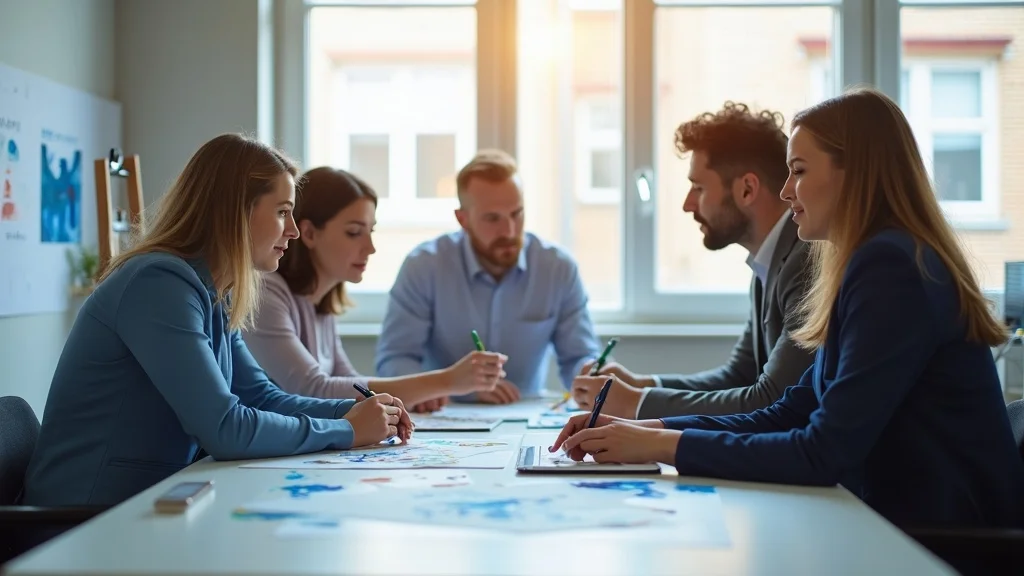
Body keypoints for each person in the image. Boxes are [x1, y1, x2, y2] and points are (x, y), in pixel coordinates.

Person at [552, 88, 1024, 529]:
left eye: (798, 171)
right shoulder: (872, 262)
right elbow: (783, 411)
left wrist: (663, 444)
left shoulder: (890, 269)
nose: (786, 191)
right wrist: (644, 429)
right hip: (901, 521)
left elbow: (823, 451)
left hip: (950, 537)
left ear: (854, 174)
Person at [23, 134, 412, 507]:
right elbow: (225, 429)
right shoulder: (158, 284)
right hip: (86, 520)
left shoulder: (213, 290)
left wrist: (358, 411)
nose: (292, 230)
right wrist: (347, 430)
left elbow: (262, 397)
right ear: (236, 211)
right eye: (282, 212)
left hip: (151, 502)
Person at [571, 102, 814, 420]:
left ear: (747, 189)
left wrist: (637, 403)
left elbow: (771, 398)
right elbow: (737, 377)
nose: (687, 205)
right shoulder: (768, 262)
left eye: (698, 188)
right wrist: (642, 385)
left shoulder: (803, 262)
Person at [243, 166, 507, 406]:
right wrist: (446, 381)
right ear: (309, 234)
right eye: (354, 232)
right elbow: (313, 389)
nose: (370, 248)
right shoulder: (266, 292)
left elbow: (349, 381)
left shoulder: (320, 303)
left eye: (371, 232)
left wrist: (415, 393)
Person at [375, 149, 601, 409]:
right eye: (492, 218)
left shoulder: (557, 269)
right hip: (444, 419)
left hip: (525, 416)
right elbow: (394, 360)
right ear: (463, 219)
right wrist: (462, 390)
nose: (509, 230)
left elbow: (579, 357)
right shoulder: (424, 267)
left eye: (516, 214)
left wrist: (594, 375)